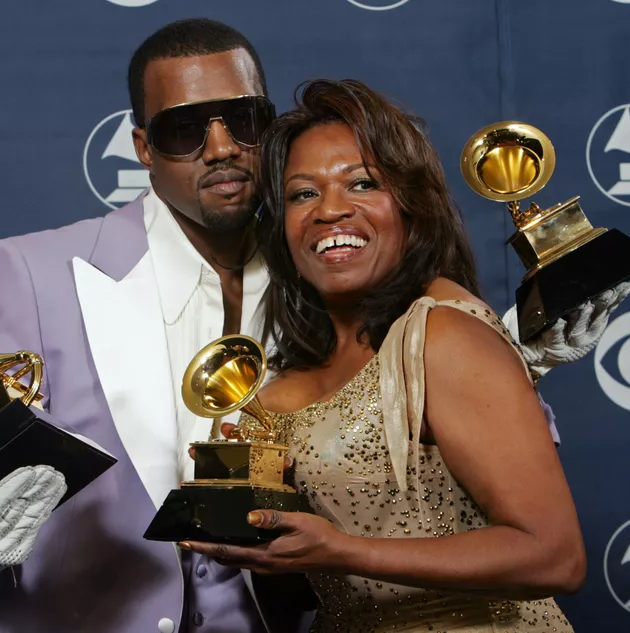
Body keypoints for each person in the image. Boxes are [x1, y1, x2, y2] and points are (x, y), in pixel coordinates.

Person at [0, 17, 623, 633]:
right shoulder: (31, 272)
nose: (220, 146)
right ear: (143, 147)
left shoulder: (327, 268)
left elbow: (442, 449)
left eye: (242, 119)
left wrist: (511, 358)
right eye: (184, 128)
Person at [179, 79, 588, 632]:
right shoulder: (279, 390)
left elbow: (555, 557)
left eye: (362, 183)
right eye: (303, 194)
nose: (330, 210)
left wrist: (343, 550)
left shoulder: (441, 334)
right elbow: (298, 591)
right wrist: (259, 517)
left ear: (411, 206)